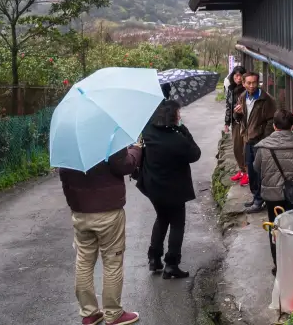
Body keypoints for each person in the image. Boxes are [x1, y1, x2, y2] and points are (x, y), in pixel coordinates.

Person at [60, 146, 142, 325]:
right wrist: (136, 150)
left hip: (80, 211)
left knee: (84, 260)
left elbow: (63, 175)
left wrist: (74, 203)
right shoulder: (106, 132)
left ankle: (89, 313)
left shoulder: (67, 139)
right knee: (112, 261)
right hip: (108, 211)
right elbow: (123, 165)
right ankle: (113, 313)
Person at [137, 99, 201, 279]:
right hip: (175, 189)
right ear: (174, 116)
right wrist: (184, 130)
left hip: (153, 187)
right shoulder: (178, 139)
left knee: (162, 218)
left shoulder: (148, 131)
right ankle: (171, 264)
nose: (180, 116)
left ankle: (154, 258)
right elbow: (195, 154)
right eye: (178, 113)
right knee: (177, 223)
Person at [253, 109, 293, 274]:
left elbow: (257, 167)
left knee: (275, 227)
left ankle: (279, 266)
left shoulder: (263, 147)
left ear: (273, 126)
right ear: (292, 126)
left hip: (272, 196)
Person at [236, 71, 277, 214]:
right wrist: (238, 114)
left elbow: (271, 120)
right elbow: (239, 119)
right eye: (249, 83)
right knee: (251, 170)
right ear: (243, 84)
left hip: (260, 141)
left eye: (254, 82)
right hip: (247, 139)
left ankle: (259, 200)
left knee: (259, 171)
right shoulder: (242, 97)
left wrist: (264, 137)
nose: (252, 86)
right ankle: (256, 197)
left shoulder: (266, 99)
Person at [224, 66, 248, 184]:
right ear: (233, 76)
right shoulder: (231, 89)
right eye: (236, 76)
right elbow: (228, 106)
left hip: (245, 123)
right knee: (236, 148)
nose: (238, 78)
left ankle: (247, 172)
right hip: (235, 122)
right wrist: (227, 122)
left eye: (240, 76)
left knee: (245, 148)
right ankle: (241, 170)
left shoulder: (246, 89)